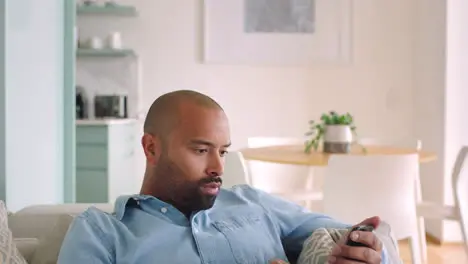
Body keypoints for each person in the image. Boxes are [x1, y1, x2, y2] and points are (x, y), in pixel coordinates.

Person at [58, 90, 389, 264]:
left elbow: (347, 234)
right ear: (151, 148)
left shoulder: (253, 202)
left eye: (224, 151)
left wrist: (369, 250)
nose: (218, 166)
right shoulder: (101, 231)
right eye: (201, 150)